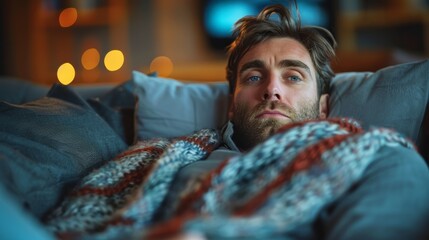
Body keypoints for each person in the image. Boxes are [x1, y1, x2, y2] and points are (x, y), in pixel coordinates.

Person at [45, 3, 429, 240]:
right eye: (253, 76)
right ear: (231, 106)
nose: (272, 90)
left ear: (324, 106)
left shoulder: (376, 156)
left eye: (293, 76)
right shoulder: (159, 158)